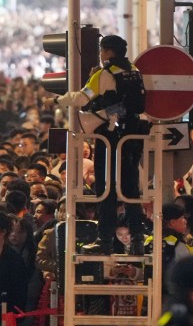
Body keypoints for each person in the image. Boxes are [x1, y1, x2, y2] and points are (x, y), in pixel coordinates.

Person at [55, 34, 147, 254]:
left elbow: (81, 98)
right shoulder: (135, 71)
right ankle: (137, 241)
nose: (100, 53)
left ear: (107, 52)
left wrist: (59, 98)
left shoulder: (103, 74)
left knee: (105, 189)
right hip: (132, 137)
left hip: (109, 137)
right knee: (130, 190)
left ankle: (104, 241)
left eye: (101, 49)